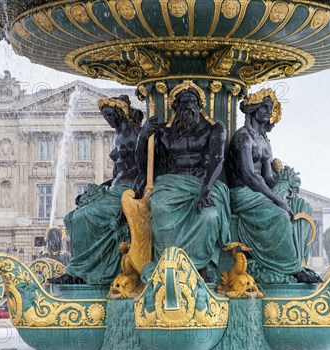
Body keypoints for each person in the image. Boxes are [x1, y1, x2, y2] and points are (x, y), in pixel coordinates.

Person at [140, 81, 231, 280]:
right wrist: (143, 136)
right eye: (182, 103)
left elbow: (218, 158)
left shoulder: (215, 128)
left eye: (192, 102)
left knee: (209, 215)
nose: (188, 107)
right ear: (175, 108)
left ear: (200, 106)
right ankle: (166, 262)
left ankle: (200, 265)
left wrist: (206, 190)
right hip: (172, 183)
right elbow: (143, 164)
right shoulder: (163, 132)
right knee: (159, 206)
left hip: (204, 182)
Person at [227, 89, 316, 284]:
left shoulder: (264, 141)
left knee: (303, 208)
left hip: (259, 192)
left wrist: (282, 180)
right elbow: (249, 175)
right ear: (253, 109)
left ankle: (297, 259)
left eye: (271, 107)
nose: (269, 111)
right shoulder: (243, 137)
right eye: (265, 106)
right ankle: (291, 268)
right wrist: (277, 199)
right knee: (280, 215)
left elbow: (266, 178)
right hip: (242, 194)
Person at [52, 95, 143, 285]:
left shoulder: (136, 134)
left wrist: (131, 199)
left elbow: (145, 171)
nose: (108, 120)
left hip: (129, 190)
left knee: (83, 217)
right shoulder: (118, 137)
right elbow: (118, 173)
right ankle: (78, 270)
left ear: (121, 113)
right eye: (105, 116)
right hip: (116, 188)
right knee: (72, 216)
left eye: (111, 115)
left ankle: (79, 272)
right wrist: (99, 189)